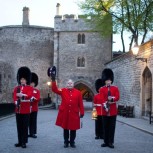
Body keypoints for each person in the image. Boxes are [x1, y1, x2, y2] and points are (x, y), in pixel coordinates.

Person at [48, 66, 84, 148]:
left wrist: (81, 112)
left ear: (73, 84)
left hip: (74, 113)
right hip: (65, 113)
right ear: (66, 85)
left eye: (71, 83)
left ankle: (72, 142)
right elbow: (54, 89)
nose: (70, 84)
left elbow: (80, 103)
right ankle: (66, 142)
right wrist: (53, 80)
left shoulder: (78, 92)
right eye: (68, 83)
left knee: (73, 129)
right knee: (65, 128)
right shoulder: (63, 90)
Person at [99, 68, 120, 149]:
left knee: (112, 127)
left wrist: (112, 99)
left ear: (111, 81)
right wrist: (106, 102)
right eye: (106, 80)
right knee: (105, 126)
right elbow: (101, 98)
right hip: (105, 110)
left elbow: (117, 97)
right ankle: (105, 141)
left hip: (113, 111)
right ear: (104, 81)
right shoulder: (102, 89)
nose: (108, 81)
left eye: (109, 80)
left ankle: (111, 142)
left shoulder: (115, 88)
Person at [13, 66, 33, 148]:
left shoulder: (29, 88)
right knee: (19, 126)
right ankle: (20, 141)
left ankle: (24, 142)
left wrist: (23, 95)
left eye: (24, 79)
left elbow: (29, 95)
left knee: (25, 127)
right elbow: (14, 96)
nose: (22, 81)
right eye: (21, 79)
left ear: (26, 80)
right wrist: (16, 101)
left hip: (26, 110)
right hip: (18, 110)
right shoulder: (17, 88)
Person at [28, 72, 40, 138]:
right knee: (28, 121)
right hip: (27, 108)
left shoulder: (37, 91)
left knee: (33, 121)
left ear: (34, 83)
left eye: (33, 83)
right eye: (30, 83)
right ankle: (28, 132)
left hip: (34, 108)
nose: (32, 84)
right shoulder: (27, 90)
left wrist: (34, 99)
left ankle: (33, 133)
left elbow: (38, 98)